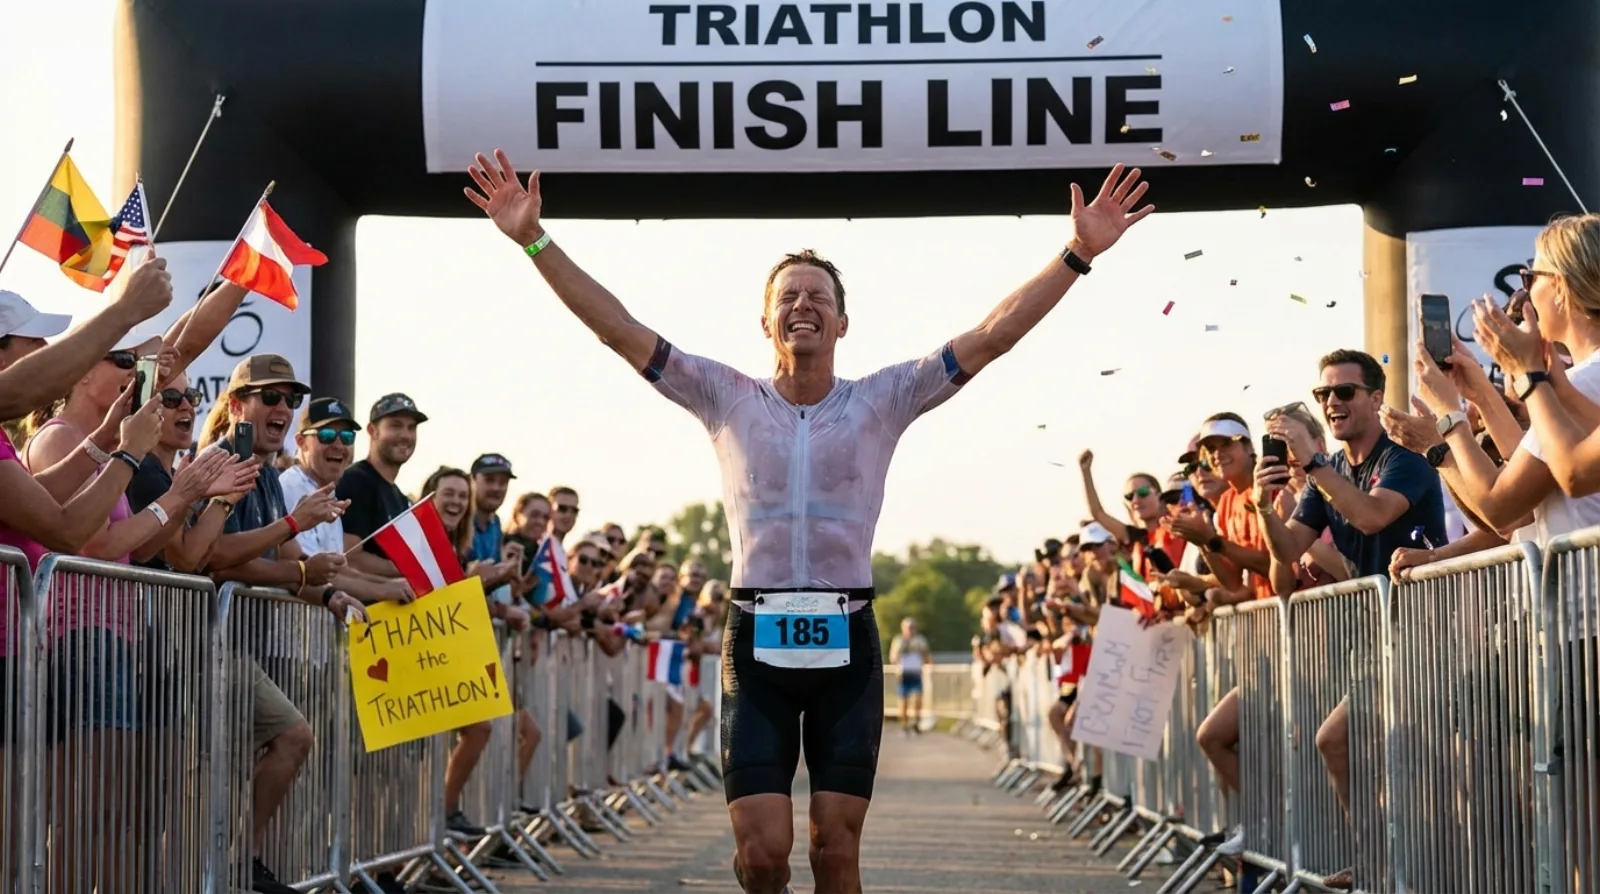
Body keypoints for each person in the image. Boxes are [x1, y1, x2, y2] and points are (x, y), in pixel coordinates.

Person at [465, 146, 1154, 893]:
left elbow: (992, 337)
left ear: (843, 321)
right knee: (763, 858)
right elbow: (619, 329)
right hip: (754, 639)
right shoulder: (723, 396)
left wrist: (1078, 253)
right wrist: (534, 240)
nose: (803, 305)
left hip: (846, 639)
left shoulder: (884, 398)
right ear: (765, 320)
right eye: (788, 296)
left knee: (834, 852)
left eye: (818, 296)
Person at [887, 618, 932, 737]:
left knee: (918, 700)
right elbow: (893, 657)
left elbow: (926, 654)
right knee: (903, 701)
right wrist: (896, 665)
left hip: (916, 672)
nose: (910, 630)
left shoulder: (920, 640)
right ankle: (904, 725)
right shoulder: (899, 641)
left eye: (912, 627)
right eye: (908, 627)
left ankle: (916, 723)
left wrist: (929, 665)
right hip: (904, 674)